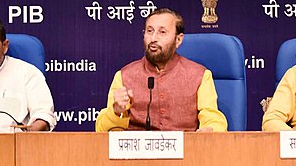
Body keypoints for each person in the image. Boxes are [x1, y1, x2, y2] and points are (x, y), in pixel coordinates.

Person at [95, 8, 227, 132]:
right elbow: (102, 132)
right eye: (149, 31)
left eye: (162, 32)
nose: (153, 39)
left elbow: (213, 119)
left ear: (178, 40)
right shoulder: (124, 76)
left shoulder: (200, 75)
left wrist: (210, 131)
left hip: (186, 153)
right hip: (137, 155)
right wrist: (116, 112)